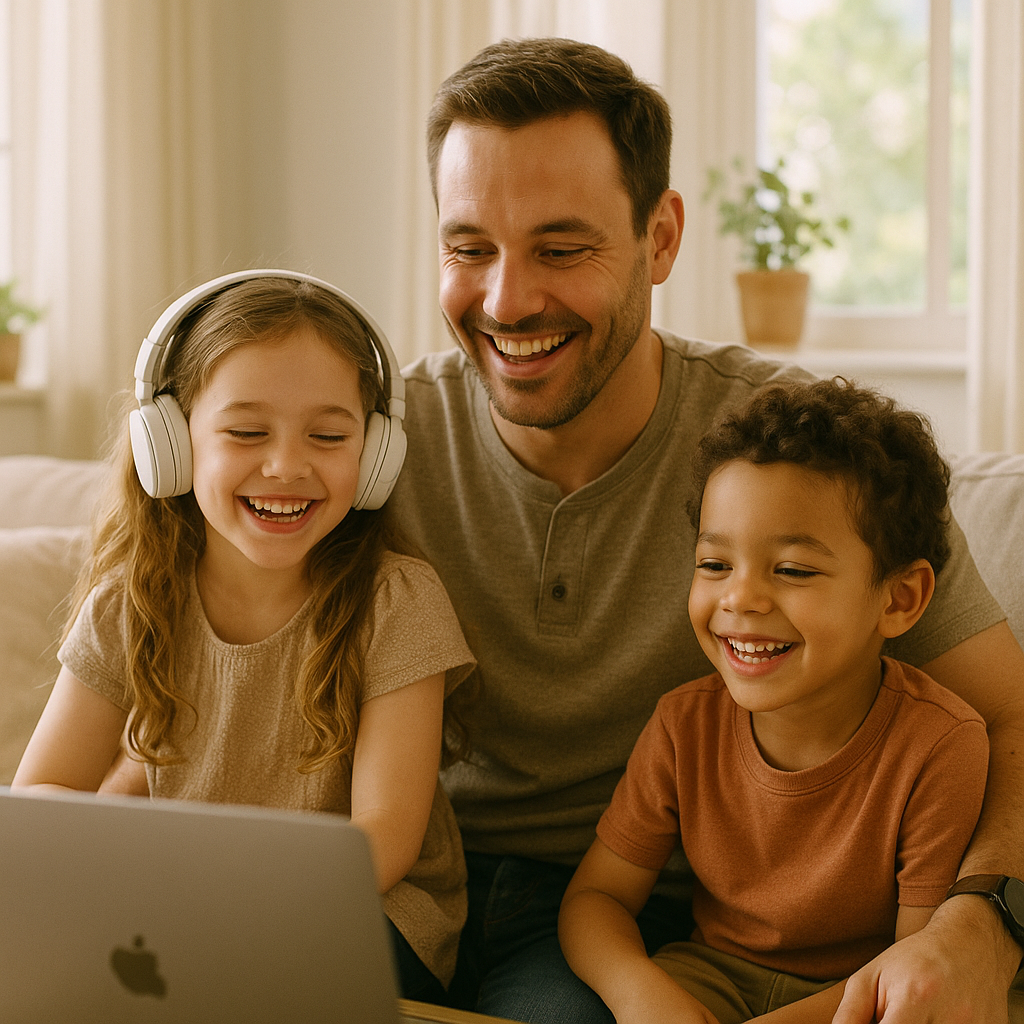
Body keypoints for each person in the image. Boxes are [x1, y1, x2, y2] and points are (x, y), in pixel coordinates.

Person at [388, 35, 1024, 1024]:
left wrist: (984, 919)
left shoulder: (803, 456)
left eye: (561, 248)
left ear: (662, 237)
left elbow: (1008, 718)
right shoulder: (361, 441)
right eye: (470, 248)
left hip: (615, 912)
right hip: (397, 875)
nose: (507, 300)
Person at [11, 272, 476, 1003]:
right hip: (178, 909)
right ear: (169, 442)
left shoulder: (398, 602)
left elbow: (384, 839)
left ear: (376, 454)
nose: (287, 465)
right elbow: (40, 800)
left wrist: (207, 909)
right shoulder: (126, 603)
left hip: (367, 912)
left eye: (328, 436)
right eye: (247, 431)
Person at [558, 377, 990, 1023]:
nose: (740, 599)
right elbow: (595, 900)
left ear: (899, 599)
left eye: (791, 570)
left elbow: (915, 967)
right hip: (701, 983)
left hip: (852, 1003)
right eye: (714, 565)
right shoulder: (684, 725)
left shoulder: (941, 745)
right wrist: (638, 993)